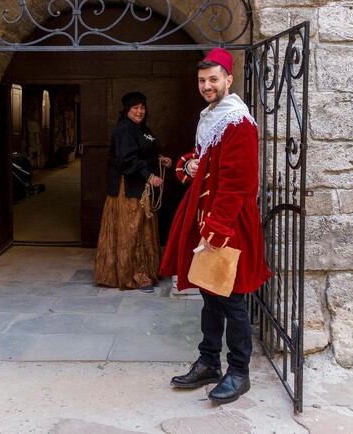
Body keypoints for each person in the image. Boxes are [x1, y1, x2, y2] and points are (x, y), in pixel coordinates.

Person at [160, 48, 272, 404]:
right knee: (209, 297)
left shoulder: (238, 121)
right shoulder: (211, 116)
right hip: (207, 219)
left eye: (213, 79)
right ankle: (209, 361)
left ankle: (239, 371)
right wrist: (187, 167)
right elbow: (203, 158)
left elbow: (238, 183)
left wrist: (216, 230)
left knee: (233, 301)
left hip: (229, 224)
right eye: (202, 81)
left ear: (228, 79)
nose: (207, 86)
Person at [94, 92, 172, 293]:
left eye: (142, 108)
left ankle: (144, 270)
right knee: (131, 229)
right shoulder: (123, 129)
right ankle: (132, 276)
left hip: (141, 185)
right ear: (127, 110)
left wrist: (159, 159)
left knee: (142, 228)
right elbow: (128, 158)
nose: (139, 111)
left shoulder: (142, 128)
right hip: (127, 187)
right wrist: (149, 176)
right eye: (135, 108)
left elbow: (147, 150)